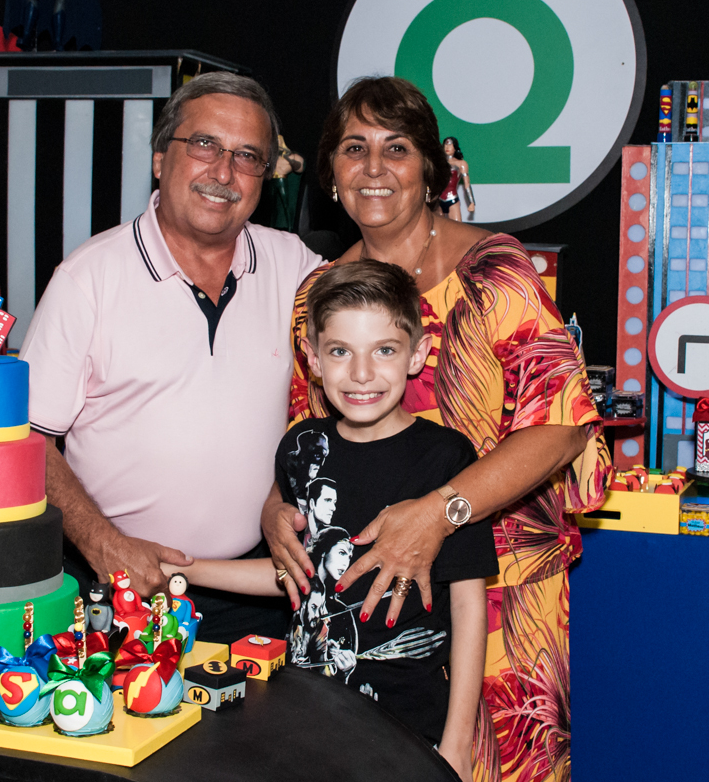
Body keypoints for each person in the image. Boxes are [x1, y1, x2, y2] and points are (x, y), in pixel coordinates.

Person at [262, 76, 611, 782]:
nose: (374, 167)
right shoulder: (319, 294)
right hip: (371, 605)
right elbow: (307, 433)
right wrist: (275, 509)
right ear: (329, 173)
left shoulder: (495, 272)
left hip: (499, 592)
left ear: (433, 171)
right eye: (354, 148)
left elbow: (563, 426)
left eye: (397, 148)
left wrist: (439, 513)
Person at [19, 72, 324, 643]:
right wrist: (102, 544)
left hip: (257, 595)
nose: (224, 173)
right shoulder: (89, 278)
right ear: (160, 159)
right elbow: (27, 438)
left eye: (248, 156)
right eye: (204, 144)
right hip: (118, 588)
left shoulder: (295, 269)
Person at [181, 261, 497, 780]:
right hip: (303, 715)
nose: (362, 374)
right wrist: (186, 567)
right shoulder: (301, 448)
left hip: (407, 720)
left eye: (385, 351)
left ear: (418, 354)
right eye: (340, 351)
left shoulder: (446, 459)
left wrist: (457, 743)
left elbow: (467, 604)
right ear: (313, 358)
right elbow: (296, 575)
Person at [437, 137, 474, 221]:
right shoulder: (438, 163)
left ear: (455, 147)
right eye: (445, 145)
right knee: (437, 228)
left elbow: (467, 184)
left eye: (450, 145)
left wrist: (471, 202)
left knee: (457, 228)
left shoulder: (461, 164)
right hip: (438, 200)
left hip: (452, 199)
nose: (447, 147)